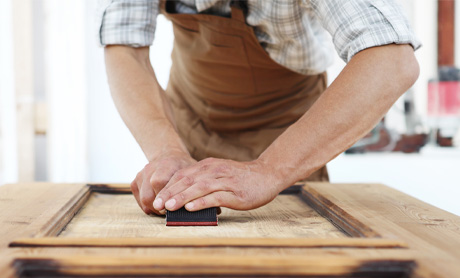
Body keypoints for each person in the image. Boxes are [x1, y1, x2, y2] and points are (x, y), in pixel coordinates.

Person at [99, 0, 420, 215]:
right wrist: (165, 150)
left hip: (288, 127)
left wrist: (271, 169)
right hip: (189, 119)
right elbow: (125, 47)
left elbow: (392, 60)